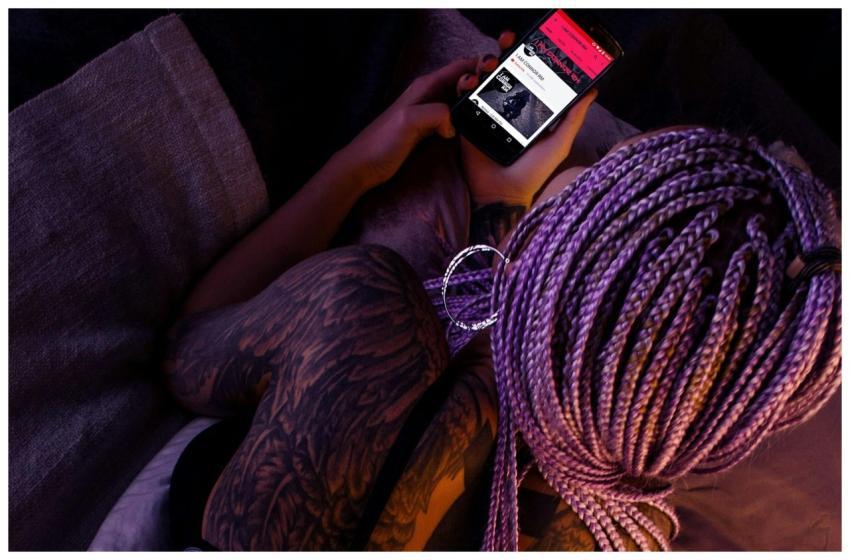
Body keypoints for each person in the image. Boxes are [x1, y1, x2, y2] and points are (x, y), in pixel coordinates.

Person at [164, 28, 840, 551]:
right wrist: (504, 208)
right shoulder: (621, 533)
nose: (600, 154)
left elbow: (191, 346)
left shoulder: (361, 315)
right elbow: (500, 383)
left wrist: (361, 166)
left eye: (603, 175)